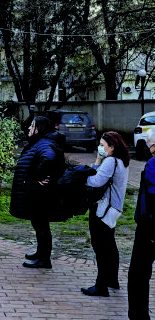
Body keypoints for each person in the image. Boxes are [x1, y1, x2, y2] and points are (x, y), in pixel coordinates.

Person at [10, 116, 65, 269]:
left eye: (32, 125)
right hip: (38, 194)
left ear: (39, 129)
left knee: (42, 226)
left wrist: (38, 176)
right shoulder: (39, 143)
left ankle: (44, 260)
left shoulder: (44, 144)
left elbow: (49, 158)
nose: (29, 128)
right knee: (38, 224)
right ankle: (40, 253)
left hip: (41, 195)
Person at [81, 131, 129, 297]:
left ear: (112, 146)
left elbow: (95, 181)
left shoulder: (110, 162)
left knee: (100, 246)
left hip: (103, 208)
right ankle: (112, 280)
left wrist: (81, 177)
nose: (100, 148)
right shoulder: (121, 161)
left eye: (103, 145)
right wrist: (98, 160)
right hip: (114, 209)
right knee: (109, 245)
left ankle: (101, 286)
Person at [128, 129, 155, 318]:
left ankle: (138, 315)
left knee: (138, 272)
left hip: (150, 227)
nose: (148, 148)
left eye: (149, 144)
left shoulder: (153, 164)